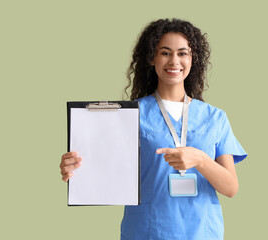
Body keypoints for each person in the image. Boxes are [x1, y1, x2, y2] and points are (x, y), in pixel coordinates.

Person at [60, 18, 247, 240]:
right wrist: (75, 168)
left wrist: (201, 160)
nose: (174, 61)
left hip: (201, 232)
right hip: (147, 231)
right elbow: (103, 166)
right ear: (152, 58)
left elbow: (231, 188)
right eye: (165, 53)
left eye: (182, 53)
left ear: (193, 58)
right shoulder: (128, 115)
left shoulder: (215, 118)